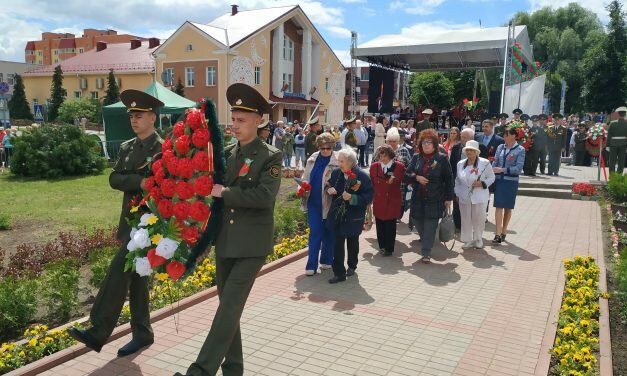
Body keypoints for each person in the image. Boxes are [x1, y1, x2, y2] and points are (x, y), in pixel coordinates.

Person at [175, 83, 282, 376]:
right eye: (233, 119)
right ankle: (233, 368)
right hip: (225, 242)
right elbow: (212, 199)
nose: (234, 125)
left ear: (259, 120)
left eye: (241, 120)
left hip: (251, 245)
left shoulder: (271, 156)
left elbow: (264, 197)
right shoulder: (225, 153)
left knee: (229, 307)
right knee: (228, 310)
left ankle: (201, 370)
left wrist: (226, 193)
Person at [67, 90, 165, 356]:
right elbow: (114, 179)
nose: (134, 119)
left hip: (152, 224)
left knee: (120, 270)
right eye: (132, 115)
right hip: (129, 222)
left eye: (139, 115)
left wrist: (140, 181)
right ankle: (143, 333)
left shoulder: (164, 149)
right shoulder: (127, 147)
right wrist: (139, 181)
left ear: (152, 118)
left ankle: (98, 330)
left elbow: (166, 185)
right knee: (137, 279)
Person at [405, 129, 454, 264]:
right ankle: (426, 239)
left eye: (429, 142)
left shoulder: (442, 158)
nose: (426, 145)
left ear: (434, 144)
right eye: (424, 142)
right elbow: (406, 174)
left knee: (430, 225)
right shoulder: (416, 157)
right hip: (418, 197)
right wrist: (417, 178)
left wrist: (449, 198)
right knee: (417, 221)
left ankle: (426, 251)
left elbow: (449, 179)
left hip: (435, 198)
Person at [326, 148, 373, 283]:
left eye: (342, 161)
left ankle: (352, 265)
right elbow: (328, 184)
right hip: (338, 216)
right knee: (338, 244)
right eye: (338, 161)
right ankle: (339, 273)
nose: (339, 164)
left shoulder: (362, 177)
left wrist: (352, 198)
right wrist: (329, 189)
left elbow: (368, 196)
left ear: (351, 162)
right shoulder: (336, 173)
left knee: (352, 242)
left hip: (353, 217)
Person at [301, 133, 339, 275]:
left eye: (327, 148)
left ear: (332, 147)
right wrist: (302, 188)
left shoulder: (338, 160)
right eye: (322, 148)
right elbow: (305, 178)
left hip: (330, 203)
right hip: (314, 203)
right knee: (315, 233)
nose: (324, 151)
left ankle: (327, 260)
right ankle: (311, 265)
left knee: (329, 233)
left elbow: (343, 180)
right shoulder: (312, 159)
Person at [454, 140, 495, 249]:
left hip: (480, 195)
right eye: (467, 150)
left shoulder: (485, 163)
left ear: (477, 152)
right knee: (465, 218)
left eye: (472, 150)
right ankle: (467, 240)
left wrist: (482, 183)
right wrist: (457, 193)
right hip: (464, 196)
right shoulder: (460, 164)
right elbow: (457, 180)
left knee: (479, 218)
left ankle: (478, 239)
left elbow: (492, 177)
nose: (469, 152)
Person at [370, 145, 406, 256]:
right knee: (379, 224)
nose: (382, 158)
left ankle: (389, 249)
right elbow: (371, 183)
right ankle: (382, 247)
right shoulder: (374, 166)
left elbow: (403, 178)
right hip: (379, 200)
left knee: (390, 225)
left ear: (390, 156)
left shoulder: (399, 166)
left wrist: (394, 179)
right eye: (380, 155)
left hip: (392, 200)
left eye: (384, 155)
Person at [491, 127, 525, 244]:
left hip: (511, 182)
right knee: (498, 206)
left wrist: (503, 170)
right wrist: (491, 169)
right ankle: (497, 233)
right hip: (499, 181)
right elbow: (495, 162)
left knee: (508, 208)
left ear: (514, 136)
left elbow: (518, 168)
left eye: (506, 134)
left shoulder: (520, 149)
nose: (504, 137)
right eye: (504, 135)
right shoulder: (501, 147)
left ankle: (504, 231)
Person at [450, 128, 488, 230]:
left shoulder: (482, 148)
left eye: (464, 137)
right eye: (461, 136)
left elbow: (485, 167)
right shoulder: (456, 148)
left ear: (471, 138)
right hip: (460, 182)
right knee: (457, 204)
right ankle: (458, 226)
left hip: (475, 184)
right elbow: (452, 165)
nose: (461, 139)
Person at [608, 106, 627, 174]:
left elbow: (609, 135)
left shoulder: (612, 123)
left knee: (612, 161)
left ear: (618, 114)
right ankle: (618, 177)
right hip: (623, 144)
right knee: (621, 162)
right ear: (624, 114)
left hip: (613, 143)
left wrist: (607, 145)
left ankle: (612, 177)